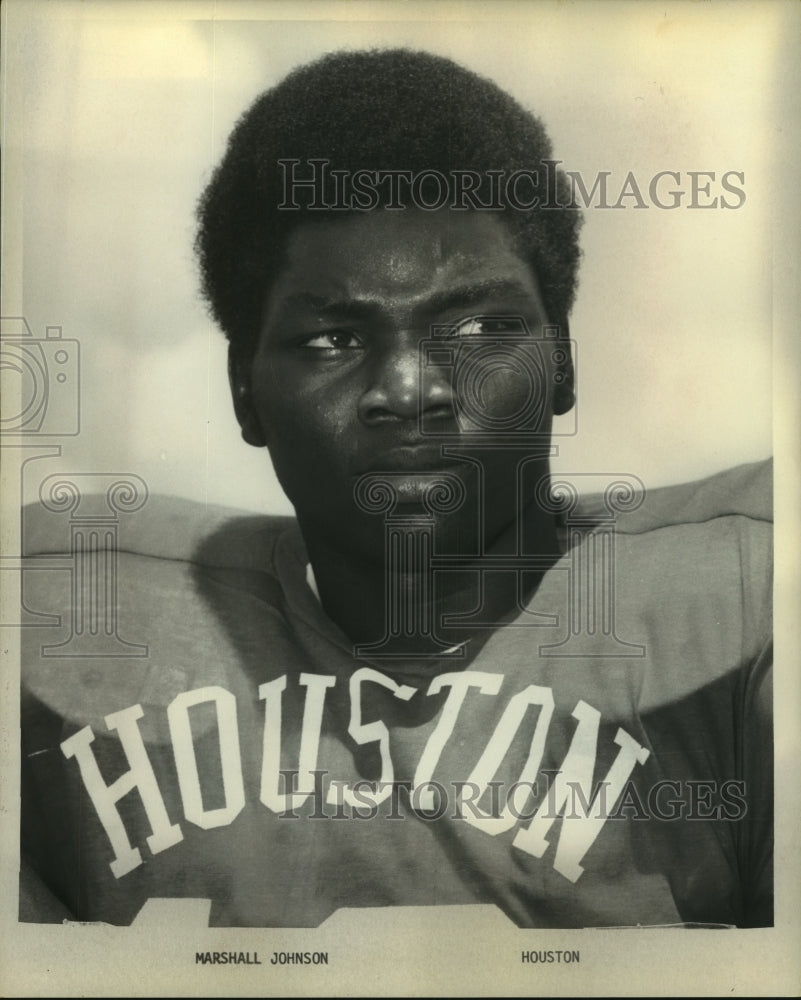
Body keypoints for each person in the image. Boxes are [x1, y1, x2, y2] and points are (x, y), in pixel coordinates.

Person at [19, 48, 772, 928]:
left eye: (483, 327)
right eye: (335, 340)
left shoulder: (745, 591)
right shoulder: (63, 604)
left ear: (562, 362)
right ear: (244, 392)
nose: (410, 389)